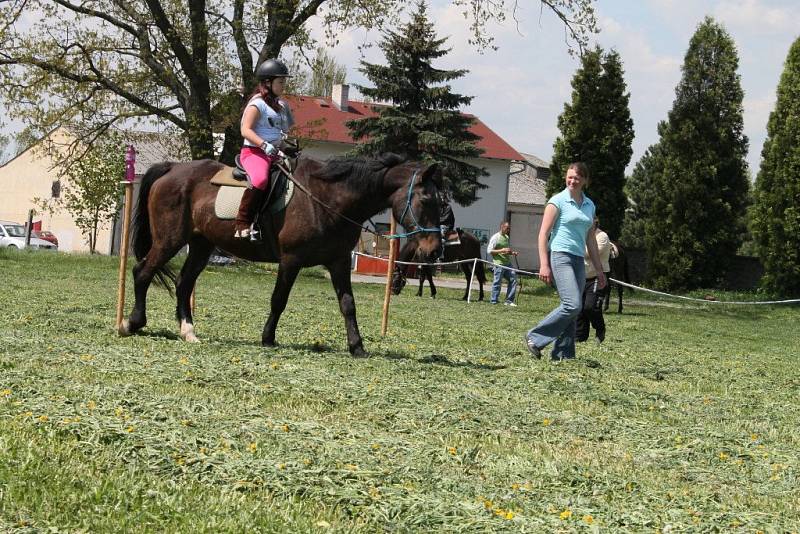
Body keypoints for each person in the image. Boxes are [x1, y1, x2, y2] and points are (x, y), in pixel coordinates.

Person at [523, 162, 606, 361]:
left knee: (571, 308)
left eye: (577, 178)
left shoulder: (589, 205)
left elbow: (590, 239)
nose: (572, 181)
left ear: (585, 180)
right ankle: (534, 337)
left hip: (578, 259)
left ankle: (563, 354)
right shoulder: (557, 201)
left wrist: (600, 270)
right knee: (572, 304)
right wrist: (544, 264)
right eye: (569, 177)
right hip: (560, 255)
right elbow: (543, 234)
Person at [235, 59, 295, 239]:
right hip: (254, 152)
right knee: (260, 180)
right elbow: (245, 130)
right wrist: (263, 144)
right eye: (280, 82)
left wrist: (286, 146)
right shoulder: (257, 104)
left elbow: (283, 131)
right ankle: (242, 222)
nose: (283, 85)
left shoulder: (282, 105)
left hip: (275, 153)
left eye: (284, 82)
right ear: (267, 83)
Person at [576, 217, 611, 343]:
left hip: (597, 277)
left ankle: (600, 329)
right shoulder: (582, 235)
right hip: (582, 277)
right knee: (579, 308)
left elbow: (591, 252)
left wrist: (576, 248)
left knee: (590, 307)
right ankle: (579, 337)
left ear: (595, 221)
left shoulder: (602, 236)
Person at [487, 221, 519, 306]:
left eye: (509, 228)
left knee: (513, 280)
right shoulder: (495, 237)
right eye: (507, 228)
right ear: (502, 227)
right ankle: (494, 301)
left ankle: (509, 301)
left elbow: (506, 251)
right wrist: (501, 250)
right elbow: (489, 251)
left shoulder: (506, 237)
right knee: (497, 282)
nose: (508, 230)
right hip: (499, 264)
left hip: (507, 263)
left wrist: (512, 253)